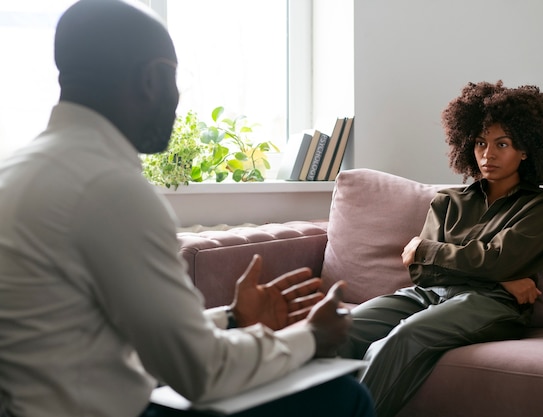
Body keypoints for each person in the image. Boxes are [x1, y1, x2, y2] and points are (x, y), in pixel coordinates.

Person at [0, 1, 374, 417]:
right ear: (152, 78)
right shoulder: (111, 190)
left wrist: (232, 319)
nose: (177, 99)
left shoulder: (17, 171)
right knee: (343, 398)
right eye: (175, 79)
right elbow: (202, 372)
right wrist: (312, 335)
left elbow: (106, 336)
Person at [337, 80, 543, 417]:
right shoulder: (449, 200)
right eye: (480, 143)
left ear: (526, 150)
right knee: (342, 325)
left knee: (402, 338)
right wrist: (499, 275)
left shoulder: (538, 206)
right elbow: (420, 271)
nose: (487, 154)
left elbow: (495, 260)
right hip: (431, 293)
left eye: (502, 144)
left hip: (492, 305)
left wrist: (431, 250)